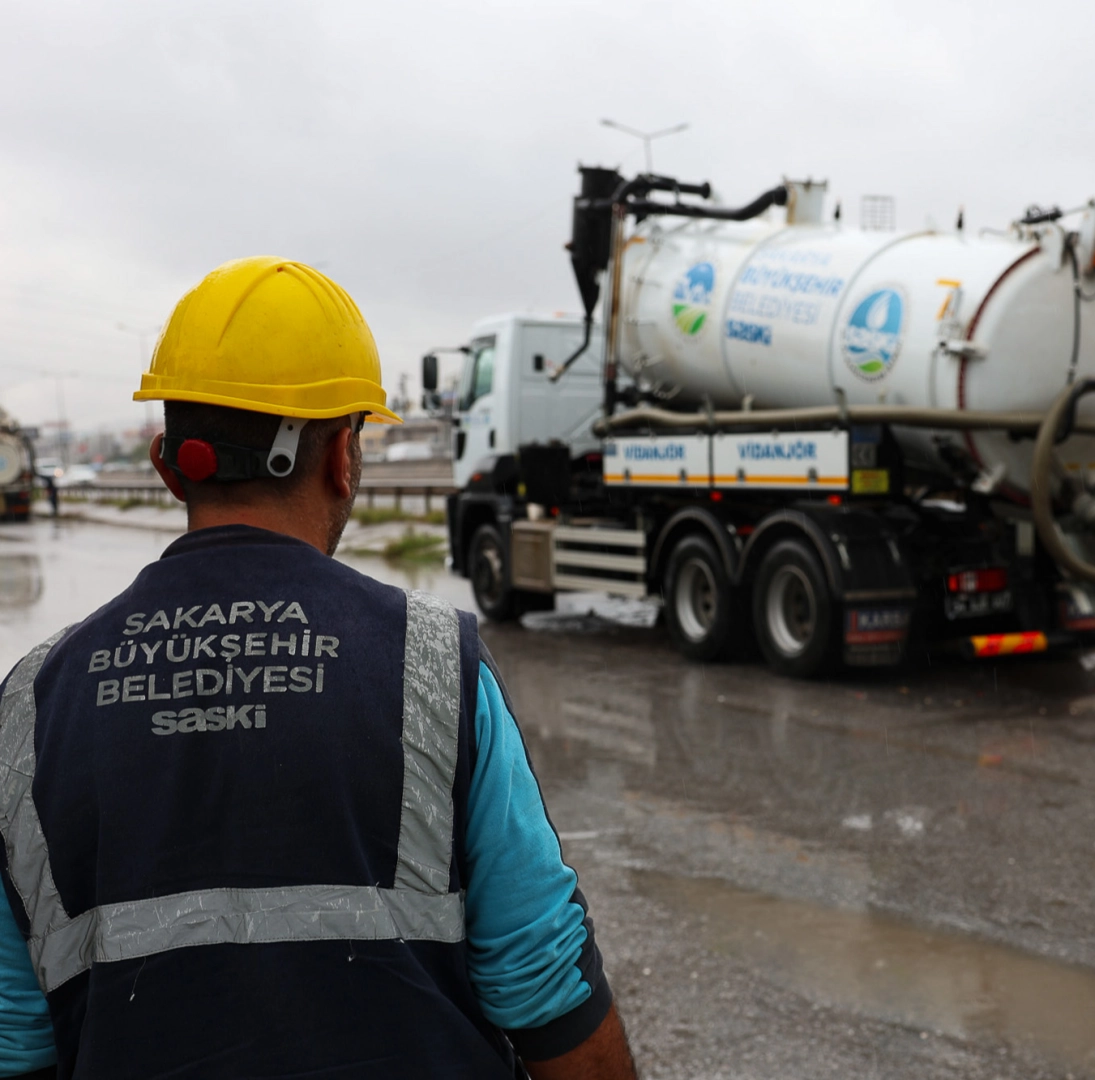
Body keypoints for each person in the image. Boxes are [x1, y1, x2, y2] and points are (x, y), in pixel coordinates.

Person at [0, 258, 637, 1079]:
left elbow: (18, 1042)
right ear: (342, 457)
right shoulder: (437, 666)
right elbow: (549, 998)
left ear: (167, 466)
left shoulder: (29, 708)